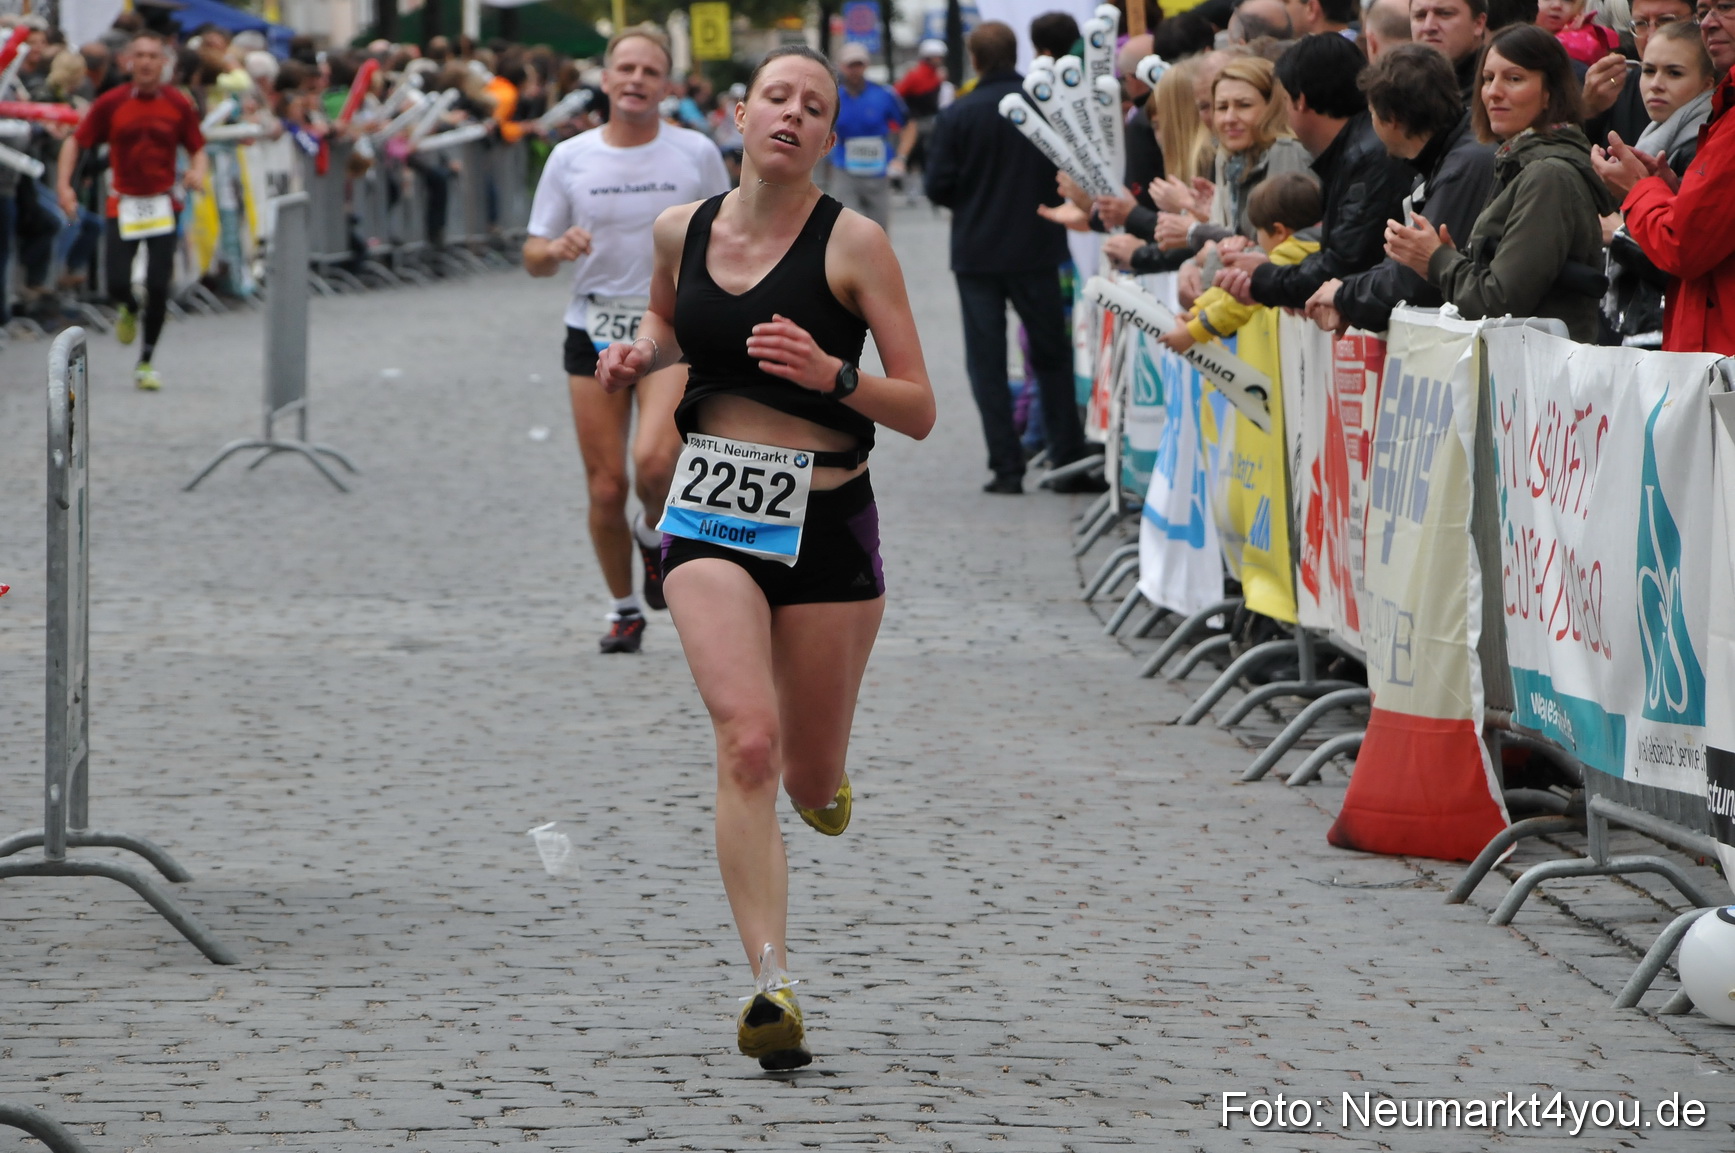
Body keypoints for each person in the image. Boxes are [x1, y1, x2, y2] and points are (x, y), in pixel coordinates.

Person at [594, 44, 934, 1071]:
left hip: (828, 524)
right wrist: (639, 351)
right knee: (747, 740)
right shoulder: (679, 229)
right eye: (775, 97)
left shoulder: (856, 244)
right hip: (709, 519)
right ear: (738, 115)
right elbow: (666, 315)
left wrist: (836, 376)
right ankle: (770, 983)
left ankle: (823, 782)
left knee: (808, 770)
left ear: (830, 135)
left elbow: (917, 407)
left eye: (813, 106)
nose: (791, 114)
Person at [522, 26, 730, 654]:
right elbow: (531, 253)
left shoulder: (694, 152)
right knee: (605, 484)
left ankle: (651, 530)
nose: (636, 80)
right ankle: (623, 609)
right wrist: (554, 249)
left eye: (649, 71)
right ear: (606, 80)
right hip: (592, 328)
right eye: (626, 69)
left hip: (669, 327)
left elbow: (731, 231)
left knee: (656, 463)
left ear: (665, 86)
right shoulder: (571, 157)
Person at [925, 21, 1098, 493]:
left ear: (975, 59)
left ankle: (1006, 466)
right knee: (1051, 356)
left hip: (977, 252)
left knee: (987, 362)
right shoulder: (1041, 103)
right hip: (1038, 246)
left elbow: (936, 186)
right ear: (1014, 52)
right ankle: (1067, 458)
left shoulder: (958, 113)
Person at [1385, 23, 1615, 342]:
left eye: (1514, 78)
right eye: (1488, 78)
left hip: (1542, 379)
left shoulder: (1548, 175)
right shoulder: (1519, 163)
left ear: (1550, 92)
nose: (1494, 91)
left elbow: (1501, 302)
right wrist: (1451, 260)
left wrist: (1438, 260)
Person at [1211, 34, 1417, 311]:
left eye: (1283, 100)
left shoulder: (1367, 158)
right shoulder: (1355, 153)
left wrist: (1265, 277)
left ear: (1301, 101)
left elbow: (1345, 266)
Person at [1306, 43, 1497, 332]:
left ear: (1391, 119)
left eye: (1371, 112)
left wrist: (1344, 295)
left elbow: (1417, 279)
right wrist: (1347, 294)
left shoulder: (1464, 165)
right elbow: (1403, 266)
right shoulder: (1444, 157)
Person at [58, 29, 206, 391]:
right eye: (139, 55)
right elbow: (75, 142)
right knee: (117, 283)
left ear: (164, 63)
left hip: (162, 202)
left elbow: (197, 146)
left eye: (153, 56)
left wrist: (197, 171)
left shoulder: (177, 103)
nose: (146, 62)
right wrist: (64, 187)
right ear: (127, 62)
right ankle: (127, 306)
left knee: (158, 284)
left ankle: (146, 361)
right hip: (122, 203)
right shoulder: (111, 102)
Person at [1592, 0, 1735, 354]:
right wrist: (1672, 193)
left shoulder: (1714, 130)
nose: (1710, 23)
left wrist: (1637, 193)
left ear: (1706, 83)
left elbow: (1683, 249)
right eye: (1648, 70)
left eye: (1727, 7)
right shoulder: (1709, 123)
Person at [1104, 56, 1310, 296]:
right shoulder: (1230, 158)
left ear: (1271, 107)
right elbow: (1235, 242)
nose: (1229, 118)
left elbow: (1277, 252)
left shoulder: (1284, 152)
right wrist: (1193, 263)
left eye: (1243, 105)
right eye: (1220, 107)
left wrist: (1195, 235)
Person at [1160, 171, 1324, 352]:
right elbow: (1233, 285)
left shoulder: (1288, 255)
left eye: (1258, 231)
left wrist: (1193, 332)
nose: (1256, 241)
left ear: (1278, 231)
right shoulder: (1312, 246)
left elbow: (1237, 302)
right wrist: (1196, 312)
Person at [1582, 0, 1695, 148]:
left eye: (1667, 20)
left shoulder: (1721, 92)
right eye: (1641, 23)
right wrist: (1589, 111)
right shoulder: (1616, 88)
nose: (1652, 36)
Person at [825, 42, 910, 232]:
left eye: (859, 64)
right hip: (845, 169)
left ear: (866, 66)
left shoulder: (883, 94)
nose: (855, 70)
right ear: (841, 66)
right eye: (850, 65)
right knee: (844, 227)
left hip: (878, 171)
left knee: (879, 229)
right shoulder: (833, 97)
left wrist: (901, 157)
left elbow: (909, 125)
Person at [1411, 0, 1490, 102]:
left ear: (1478, 23)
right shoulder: (1400, 88)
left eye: (1445, 13)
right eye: (1420, 15)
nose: (1428, 27)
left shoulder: (1494, 95)